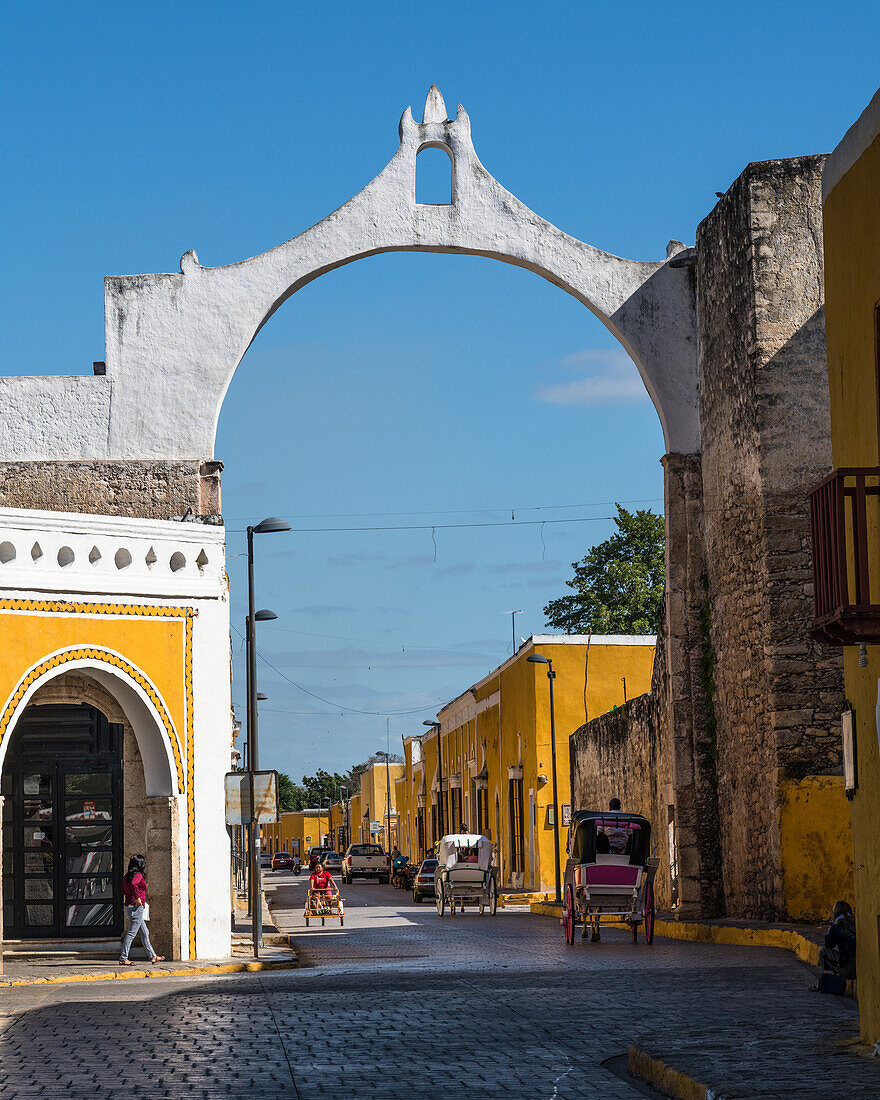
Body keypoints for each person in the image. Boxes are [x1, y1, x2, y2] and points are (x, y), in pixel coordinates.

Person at [119, 854, 164, 965]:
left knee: (145, 932)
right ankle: (123, 958)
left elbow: (124, 889)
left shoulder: (126, 876)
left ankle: (153, 956)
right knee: (131, 934)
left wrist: (129, 897)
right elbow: (134, 884)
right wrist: (137, 897)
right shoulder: (138, 875)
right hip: (137, 908)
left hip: (129, 907)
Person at [815, 900, 856, 989]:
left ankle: (830, 982)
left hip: (848, 969)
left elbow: (828, 945)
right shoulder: (855, 921)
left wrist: (830, 928)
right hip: (858, 965)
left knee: (823, 953)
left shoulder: (838, 925)